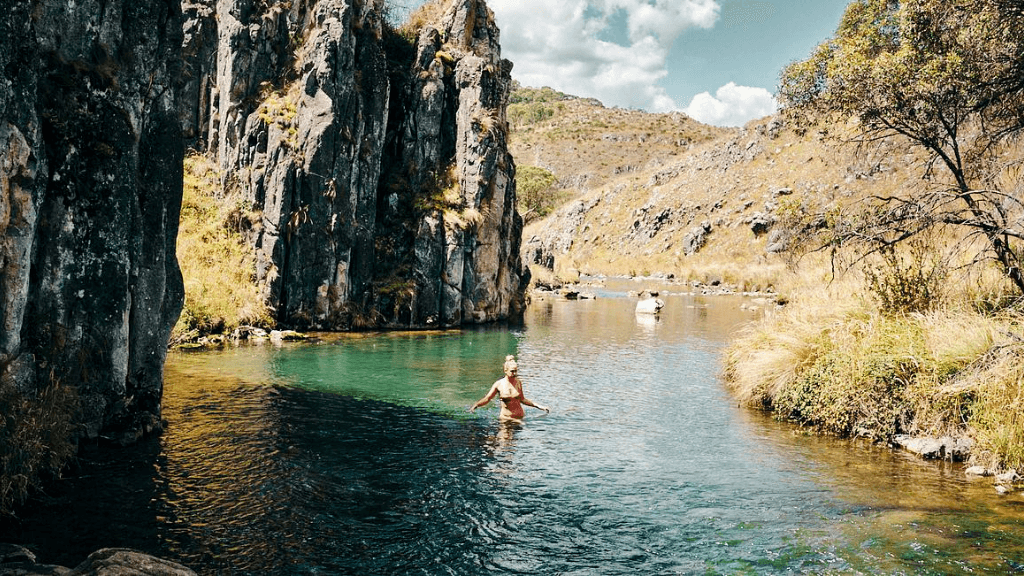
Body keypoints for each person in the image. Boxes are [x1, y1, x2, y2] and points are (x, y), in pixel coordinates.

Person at [470, 355, 549, 419]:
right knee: (503, 438)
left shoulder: (518, 382)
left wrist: (538, 406)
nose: (514, 373)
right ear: (505, 370)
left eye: (516, 371)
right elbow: (488, 398)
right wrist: (476, 405)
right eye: (512, 371)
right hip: (506, 419)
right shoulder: (499, 384)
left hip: (520, 417)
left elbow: (522, 399)